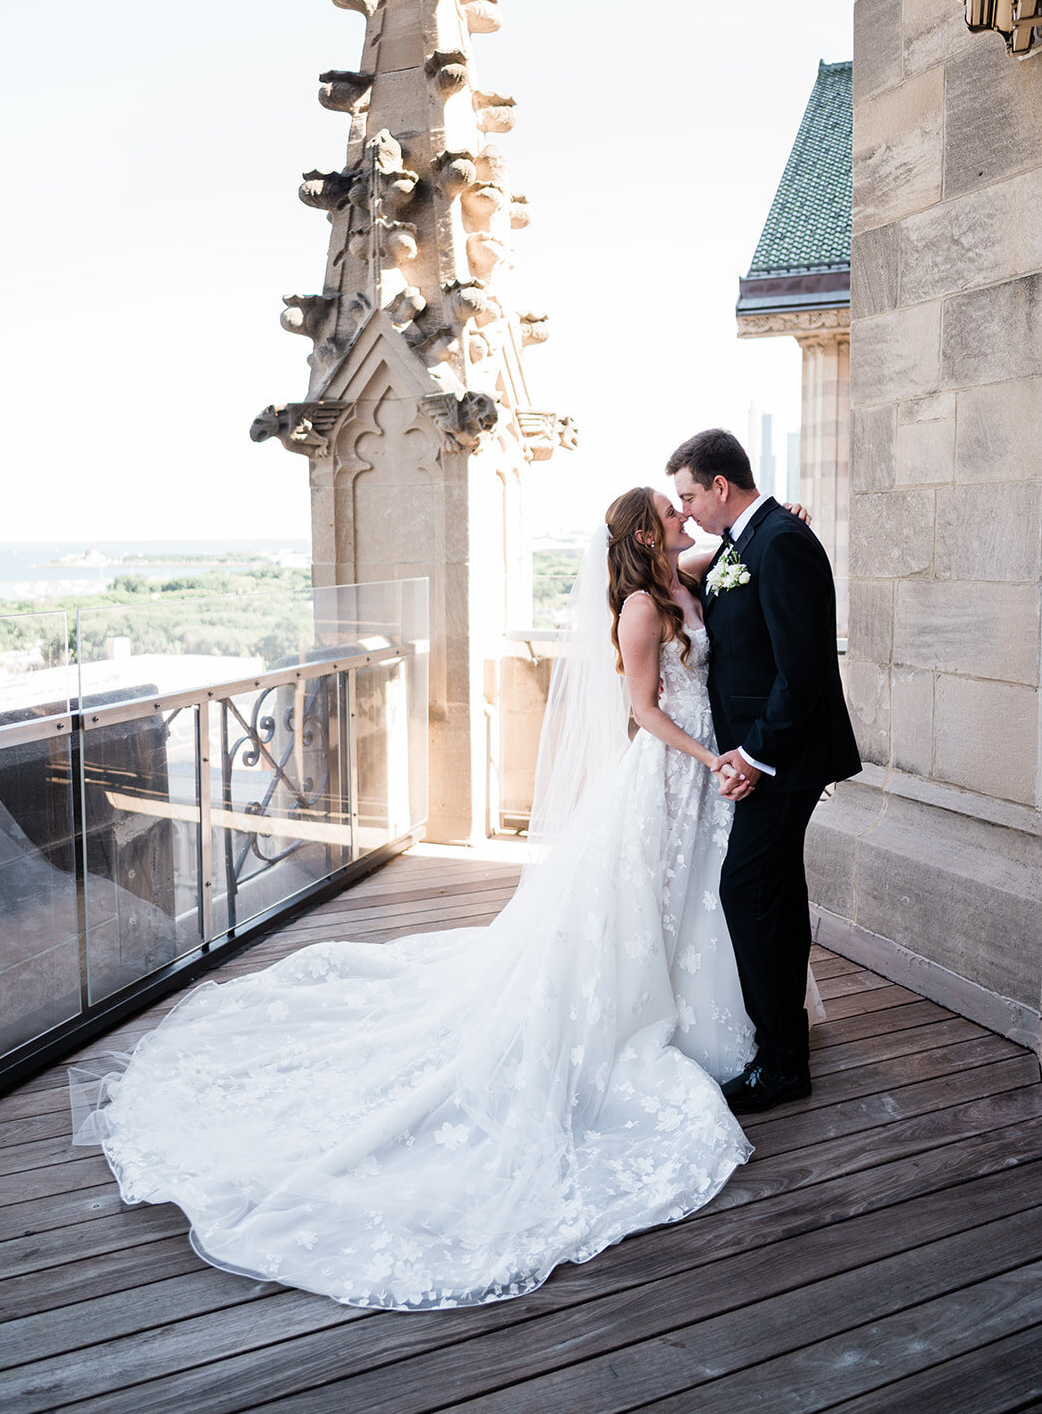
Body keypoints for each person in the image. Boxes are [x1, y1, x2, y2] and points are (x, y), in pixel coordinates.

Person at [67, 486, 799, 1311]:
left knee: (689, 899)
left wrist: (768, 535)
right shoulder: (638, 607)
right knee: (647, 900)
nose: (683, 520)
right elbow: (639, 709)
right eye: (671, 512)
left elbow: (716, 559)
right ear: (643, 530)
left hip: (709, 772)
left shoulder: (680, 580)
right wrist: (707, 761)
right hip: (674, 770)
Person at [667, 429, 862, 1114]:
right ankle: (787, 1043)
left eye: (688, 494)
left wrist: (754, 755)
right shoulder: (743, 542)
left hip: (783, 757)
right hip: (769, 752)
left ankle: (779, 1063)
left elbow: (803, 667)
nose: (685, 509)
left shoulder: (777, 542)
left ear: (720, 486)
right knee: (772, 891)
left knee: (745, 891)